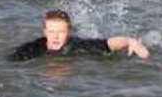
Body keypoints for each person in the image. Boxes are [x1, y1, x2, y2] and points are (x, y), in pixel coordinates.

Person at [9, 10, 149, 61]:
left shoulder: (77, 46)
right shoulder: (32, 49)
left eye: (61, 32)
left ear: (69, 32)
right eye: (51, 32)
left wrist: (130, 41)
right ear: (45, 32)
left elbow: (109, 44)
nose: (56, 37)